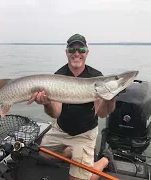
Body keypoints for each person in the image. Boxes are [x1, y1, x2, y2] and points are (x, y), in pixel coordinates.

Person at [30, 34, 117, 180]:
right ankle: (73, 152)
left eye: (81, 49)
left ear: (87, 53)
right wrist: (47, 103)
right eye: (72, 49)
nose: (77, 53)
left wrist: (111, 99)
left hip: (84, 133)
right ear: (66, 52)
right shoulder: (58, 76)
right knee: (44, 154)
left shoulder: (96, 77)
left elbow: (101, 113)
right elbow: (55, 113)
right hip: (61, 129)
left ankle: (104, 160)